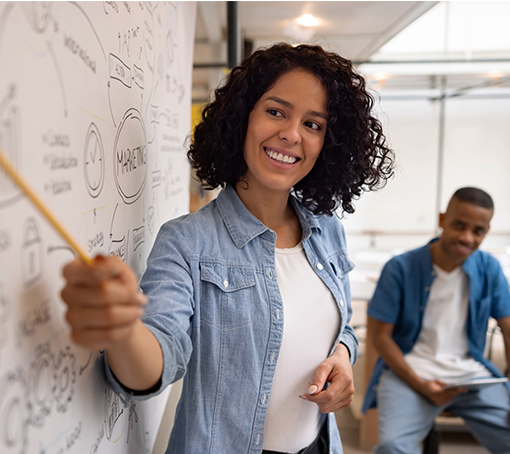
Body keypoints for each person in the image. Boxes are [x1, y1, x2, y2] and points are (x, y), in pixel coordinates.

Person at [61, 43, 393, 454]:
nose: (292, 134)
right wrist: (122, 329)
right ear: (242, 119)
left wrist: (342, 354)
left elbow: (338, 326)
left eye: (313, 124)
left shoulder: (327, 231)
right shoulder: (187, 241)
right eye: (276, 111)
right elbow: (157, 357)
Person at [362, 187, 510, 454]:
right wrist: (421, 384)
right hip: (411, 373)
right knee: (392, 446)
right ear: (442, 220)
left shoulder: (490, 268)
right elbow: (380, 338)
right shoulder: (400, 268)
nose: (466, 237)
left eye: (477, 231)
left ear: (486, 231)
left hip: (471, 375)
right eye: (459, 226)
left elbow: (508, 329)